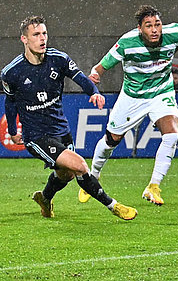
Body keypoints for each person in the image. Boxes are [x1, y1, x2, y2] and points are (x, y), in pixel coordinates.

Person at [1, 16, 137, 220]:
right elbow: (10, 103)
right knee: (80, 166)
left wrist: (94, 92)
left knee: (67, 174)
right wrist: (12, 131)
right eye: (36, 34)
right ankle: (113, 205)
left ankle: (45, 198)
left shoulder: (59, 59)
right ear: (24, 39)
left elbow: (81, 78)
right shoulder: (11, 72)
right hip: (36, 136)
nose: (42, 39)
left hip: (60, 129)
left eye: (44, 33)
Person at [78, 5, 178, 206]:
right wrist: (94, 76)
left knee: (172, 135)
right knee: (112, 140)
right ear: (140, 29)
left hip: (161, 92)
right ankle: (92, 177)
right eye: (149, 26)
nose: (154, 30)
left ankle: (153, 187)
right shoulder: (127, 43)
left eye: (157, 24)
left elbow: (176, 44)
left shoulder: (176, 33)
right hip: (133, 97)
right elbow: (100, 67)